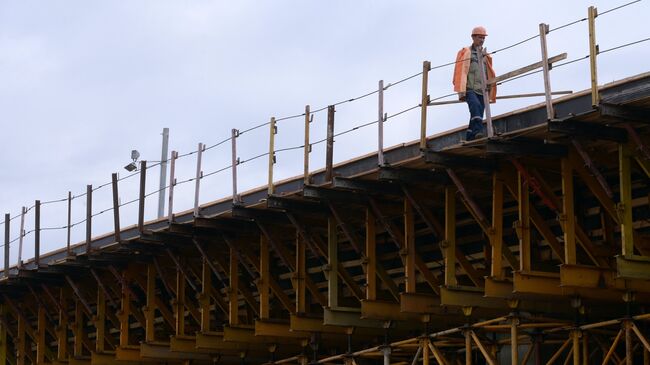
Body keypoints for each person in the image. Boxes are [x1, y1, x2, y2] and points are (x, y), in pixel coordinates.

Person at [452, 26, 497, 141]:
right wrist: (460, 89)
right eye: (479, 37)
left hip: (482, 89)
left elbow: (489, 72)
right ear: (473, 37)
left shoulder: (485, 55)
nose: (482, 40)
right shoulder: (465, 52)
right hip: (469, 88)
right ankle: (478, 131)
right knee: (475, 107)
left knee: (477, 113)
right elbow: (459, 70)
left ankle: (470, 135)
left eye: (483, 38)